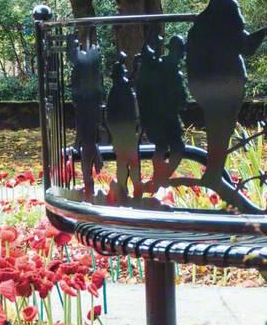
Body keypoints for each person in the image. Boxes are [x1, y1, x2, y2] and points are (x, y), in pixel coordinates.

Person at [186, 0, 250, 186]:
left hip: (208, 86)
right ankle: (215, 174)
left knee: (217, 128)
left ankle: (214, 171)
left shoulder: (203, 20)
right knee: (223, 128)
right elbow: (244, 45)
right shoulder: (229, 9)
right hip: (227, 82)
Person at [136, 36, 188, 189]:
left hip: (160, 119)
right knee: (175, 148)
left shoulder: (159, 66)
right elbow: (181, 100)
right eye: (181, 52)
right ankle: (161, 177)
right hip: (166, 119)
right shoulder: (168, 71)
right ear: (176, 52)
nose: (182, 56)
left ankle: (159, 177)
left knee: (162, 148)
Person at [69, 40, 104, 198]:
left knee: (88, 145)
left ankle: (88, 183)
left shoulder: (85, 66)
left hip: (88, 108)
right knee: (88, 144)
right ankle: (89, 181)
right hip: (87, 107)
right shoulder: (88, 68)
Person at [105, 60, 141, 201]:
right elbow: (109, 115)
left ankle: (135, 189)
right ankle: (122, 189)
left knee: (131, 163)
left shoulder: (125, 90)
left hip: (129, 133)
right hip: (122, 134)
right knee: (123, 164)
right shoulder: (117, 91)